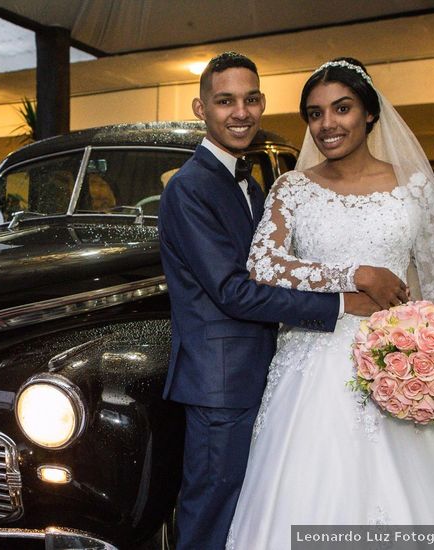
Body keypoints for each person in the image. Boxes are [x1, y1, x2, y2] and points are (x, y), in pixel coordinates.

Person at [225, 58, 434, 549]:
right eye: (315, 113)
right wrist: (354, 277)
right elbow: (264, 266)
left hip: (399, 356)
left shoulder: (412, 187)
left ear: (368, 113)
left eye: (341, 108)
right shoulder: (292, 188)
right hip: (313, 363)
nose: (328, 124)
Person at [157, 52, 408, 550]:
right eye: (225, 100)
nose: (240, 112)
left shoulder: (249, 183)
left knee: (246, 512)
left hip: (266, 371)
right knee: (209, 512)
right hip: (220, 382)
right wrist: (342, 304)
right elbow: (232, 290)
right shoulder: (189, 188)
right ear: (200, 108)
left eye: (251, 99)